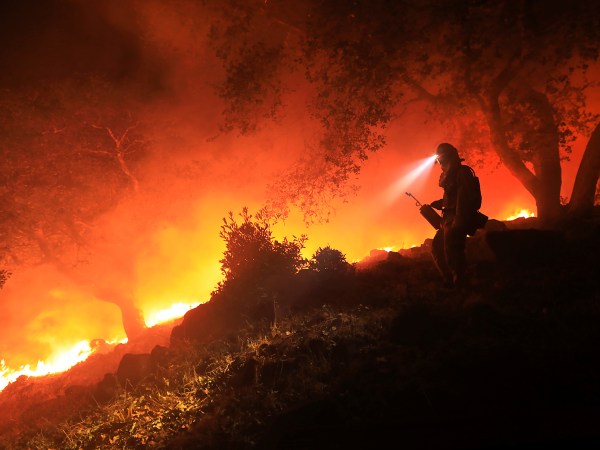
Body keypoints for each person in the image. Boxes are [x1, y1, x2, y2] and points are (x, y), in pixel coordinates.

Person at [429, 143, 481, 289]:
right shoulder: (452, 176)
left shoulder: (462, 173)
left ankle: (460, 282)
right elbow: (454, 195)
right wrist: (441, 203)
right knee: (437, 247)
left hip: (457, 218)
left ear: (447, 158)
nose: (440, 164)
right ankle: (449, 279)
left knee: (452, 249)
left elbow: (466, 198)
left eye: (441, 160)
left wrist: (460, 218)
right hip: (448, 218)